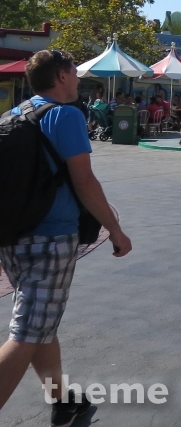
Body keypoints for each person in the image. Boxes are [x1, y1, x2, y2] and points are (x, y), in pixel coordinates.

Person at [0, 50, 132, 423]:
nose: (77, 80)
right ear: (60, 76)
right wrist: (116, 230)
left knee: (41, 324)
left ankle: (62, 400)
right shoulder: (64, 114)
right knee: (27, 331)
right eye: (74, 73)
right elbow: (84, 180)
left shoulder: (15, 115)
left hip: (13, 235)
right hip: (51, 237)